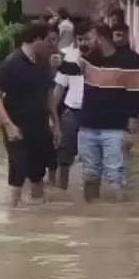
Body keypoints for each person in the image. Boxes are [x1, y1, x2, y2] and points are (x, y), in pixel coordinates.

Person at [62, 21, 139, 201]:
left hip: (115, 129)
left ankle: (115, 219)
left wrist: (134, 120)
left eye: (89, 38)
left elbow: (138, 93)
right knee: (89, 175)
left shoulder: (129, 60)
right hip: (87, 127)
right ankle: (94, 215)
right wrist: (54, 58)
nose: (85, 42)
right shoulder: (88, 59)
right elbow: (71, 69)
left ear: (100, 39)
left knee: (114, 176)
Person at [0, 23, 62, 208]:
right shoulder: (12, 63)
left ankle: (37, 218)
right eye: (48, 41)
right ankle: (12, 214)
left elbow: (49, 97)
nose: (51, 46)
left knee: (38, 172)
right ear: (37, 40)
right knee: (18, 170)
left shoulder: (43, 62)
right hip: (16, 125)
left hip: (39, 126)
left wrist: (56, 124)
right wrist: (8, 125)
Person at [52, 24, 90, 190]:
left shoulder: (102, 59)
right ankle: (62, 193)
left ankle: (91, 198)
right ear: (76, 40)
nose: (84, 42)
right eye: (80, 39)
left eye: (87, 39)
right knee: (64, 155)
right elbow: (59, 89)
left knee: (92, 157)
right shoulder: (70, 58)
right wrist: (51, 117)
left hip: (94, 113)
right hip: (72, 111)